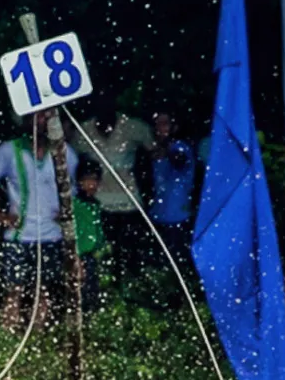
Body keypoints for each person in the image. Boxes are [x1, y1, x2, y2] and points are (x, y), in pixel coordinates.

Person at [0, 112, 80, 332]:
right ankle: (8, 331)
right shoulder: (10, 150)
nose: (40, 123)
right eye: (35, 119)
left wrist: (66, 209)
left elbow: (75, 186)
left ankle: (38, 332)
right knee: (14, 288)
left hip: (51, 233)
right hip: (19, 234)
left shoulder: (64, 151)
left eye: (45, 119)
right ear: (26, 122)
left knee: (44, 289)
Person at [81, 106, 155, 255]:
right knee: (104, 252)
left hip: (129, 201)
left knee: (131, 252)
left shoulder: (132, 126)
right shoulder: (83, 130)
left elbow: (152, 151)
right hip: (100, 204)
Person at [145, 109, 201, 269]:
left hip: (179, 216)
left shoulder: (180, 147)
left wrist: (167, 150)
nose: (160, 128)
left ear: (174, 127)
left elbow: (180, 161)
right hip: (158, 215)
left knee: (178, 262)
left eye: (165, 124)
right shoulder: (154, 151)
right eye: (157, 124)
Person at [69, 158, 109, 315]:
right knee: (79, 296)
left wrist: (103, 249)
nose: (92, 185)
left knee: (93, 293)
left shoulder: (95, 205)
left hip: (92, 256)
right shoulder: (75, 205)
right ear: (79, 182)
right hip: (78, 257)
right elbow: (74, 235)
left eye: (95, 180)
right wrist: (76, 258)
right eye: (87, 180)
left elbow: (97, 231)